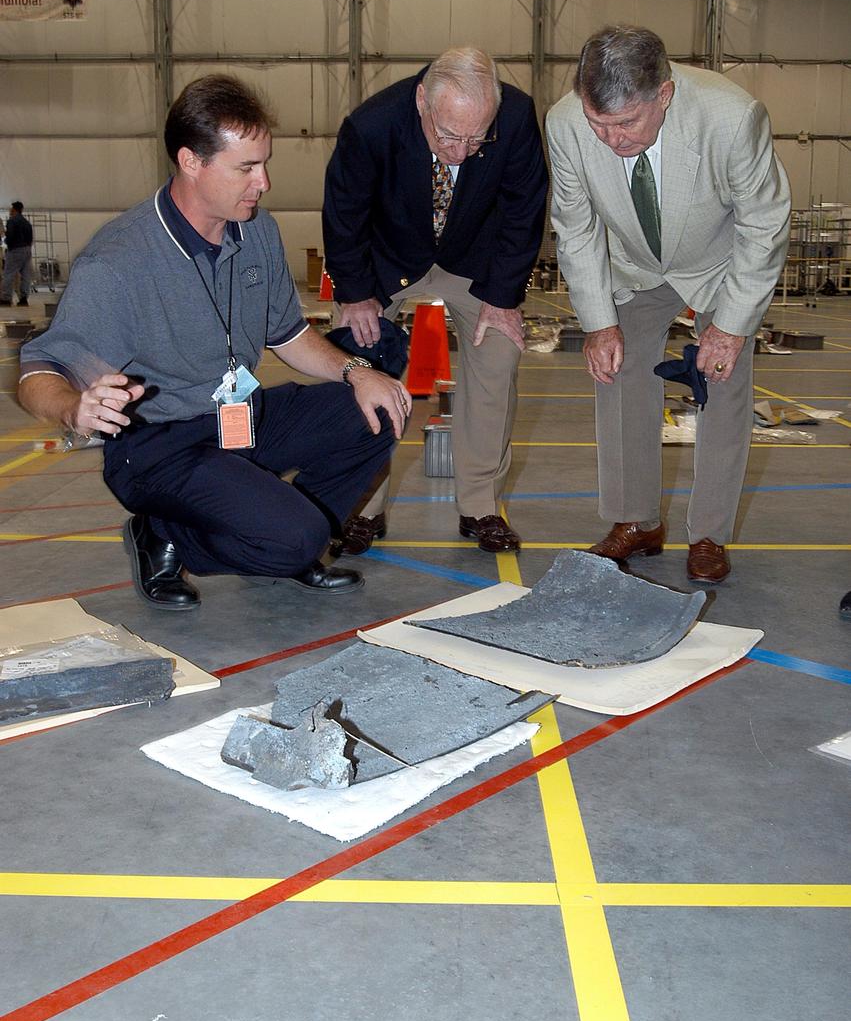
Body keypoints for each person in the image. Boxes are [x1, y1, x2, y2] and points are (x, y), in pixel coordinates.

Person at [18, 75, 411, 610]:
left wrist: (356, 372)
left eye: (265, 163)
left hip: (237, 418)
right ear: (191, 162)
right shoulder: (119, 261)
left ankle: (288, 542)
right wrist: (72, 407)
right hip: (159, 444)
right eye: (246, 168)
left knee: (380, 408)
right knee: (296, 537)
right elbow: (39, 370)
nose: (264, 182)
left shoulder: (258, 232)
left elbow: (288, 335)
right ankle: (168, 535)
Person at [546, 26, 791, 584]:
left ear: (665, 94)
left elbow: (763, 223)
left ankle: (708, 533)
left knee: (721, 382)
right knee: (616, 369)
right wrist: (599, 323)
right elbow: (576, 227)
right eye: (597, 123)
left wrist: (728, 327)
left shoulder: (732, 118)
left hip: (717, 264)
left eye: (626, 123)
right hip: (635, 266)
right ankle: (636, 522)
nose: (610, 140)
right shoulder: (564, 124)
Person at [322, 47, 548, 555]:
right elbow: (344, 214)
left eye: (476, 138)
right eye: (448, 135)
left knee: (499, 354)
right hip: (387, 261)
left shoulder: (514, 116)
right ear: (422, 100)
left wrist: (504, 297)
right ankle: (364, 505)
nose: (462, 152)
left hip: (474, 258)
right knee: (360, 365)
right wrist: (355, 296)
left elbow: (524, 208)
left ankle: (481, 505)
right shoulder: (371, 125)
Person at [1, 201, 34, 306]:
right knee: (25, 275)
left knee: (9, 274)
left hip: (15, 250)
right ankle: (24, 299)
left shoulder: (12, 221)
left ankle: (6, 298)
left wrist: (7, 243)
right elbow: (30, 238)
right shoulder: (26, 222)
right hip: (27, 250)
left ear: (13, 210)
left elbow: (9, 236)